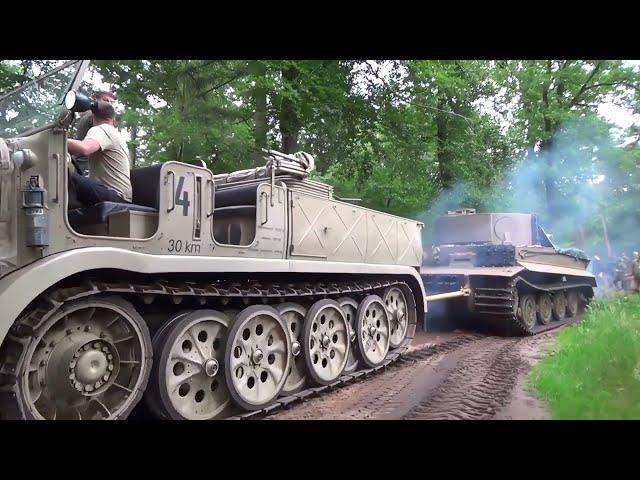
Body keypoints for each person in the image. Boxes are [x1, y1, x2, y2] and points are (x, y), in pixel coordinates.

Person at [67, 101, 132, 207]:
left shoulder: (102, 129)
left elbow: (85, 148)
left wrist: (57, 141)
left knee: (65, 176)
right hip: (120, 198)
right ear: (113, 119)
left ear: (93, 116)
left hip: (114, 196)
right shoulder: (114, 133)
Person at [73, 91, 117, 176]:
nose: (109, 104)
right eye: (106, 100)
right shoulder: (95, 117)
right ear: (96, 100)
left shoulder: (86, 115)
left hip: (81, 162)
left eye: (111, 102)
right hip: (87, 164)